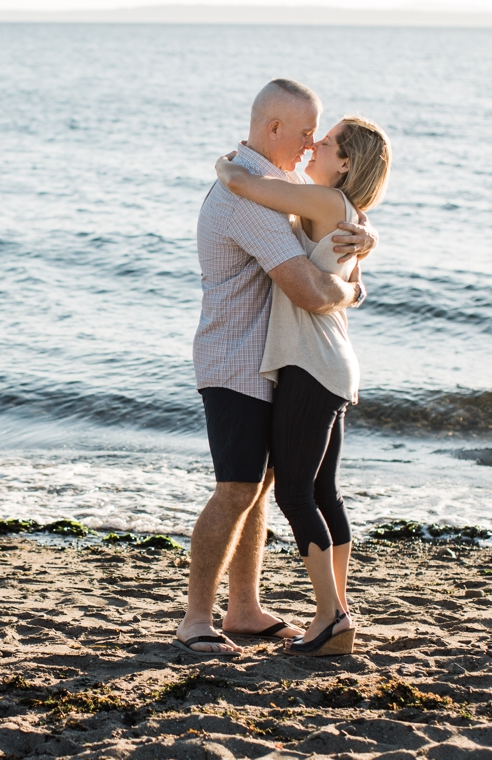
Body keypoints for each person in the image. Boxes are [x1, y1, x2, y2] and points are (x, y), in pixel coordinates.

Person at [175, 80, 377, 657]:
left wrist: (367, 237)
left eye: (321, 135)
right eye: (306, 132)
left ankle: (244, 609)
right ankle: (196, 619)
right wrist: (351, 292)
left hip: (272, 362)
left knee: (259, 488)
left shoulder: (276, 185)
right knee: (237, 486)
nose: (313, 143)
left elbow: (334, 216)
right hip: (235, 358)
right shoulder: (247, 199)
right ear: (273, 131)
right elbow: (311, 291)